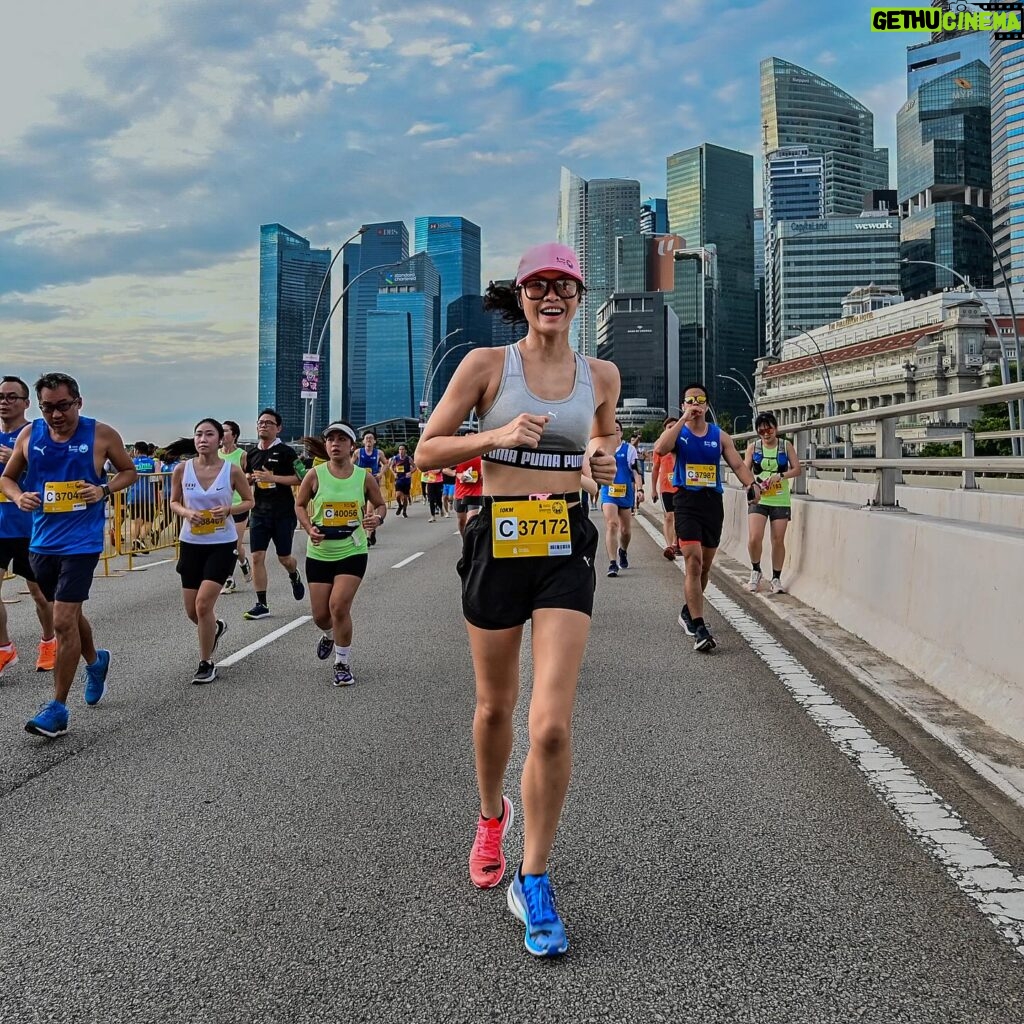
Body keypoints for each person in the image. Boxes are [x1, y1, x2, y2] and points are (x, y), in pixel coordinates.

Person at [416, 242, 618, 957]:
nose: (551, 296)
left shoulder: (601, 375)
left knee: (552, 723)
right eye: (539, 286)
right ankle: (488, 816)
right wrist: (496, 434)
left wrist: (600, 459)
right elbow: (425, 452)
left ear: (579, 296)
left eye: (564, 285)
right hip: (497, 540)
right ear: (523, 296)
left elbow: (607, 438)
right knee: (495, 707)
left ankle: (533, 878)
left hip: (564, 540)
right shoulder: (484, 366)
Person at [0, 372, 137, 738]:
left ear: (78, 401)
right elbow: (8, 478)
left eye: (63, 406)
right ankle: (96, 661)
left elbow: (129, 471)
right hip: (41, 543)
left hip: (82, 544)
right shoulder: (30, 435)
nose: (56, 415)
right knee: (70, 616)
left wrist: (103, 490)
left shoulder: (101, 434)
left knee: (62, 621)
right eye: (48, 408)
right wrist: (18, 497)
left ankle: (57, 709)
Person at [654, 383, 761, 653]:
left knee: (704, 568)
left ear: (707, 404)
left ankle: (688, 611)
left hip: (712, 502)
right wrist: (682, 420)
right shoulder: (679, 433)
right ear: (684, 404)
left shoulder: (719, 435)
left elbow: (737, 464)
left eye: (700, 400)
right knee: (693, 559)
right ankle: (699, 627)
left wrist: (751, 485)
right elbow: (660, 448)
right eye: (690, 400)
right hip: (686, 500)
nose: (695, 404)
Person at [295, 422, 387, 687]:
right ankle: (329, 634)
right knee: (321, 616)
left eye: (341, 439)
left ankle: (342, 663)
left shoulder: (364, 476)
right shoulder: (315, 474)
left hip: (352, 549)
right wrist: (308, 527)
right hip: (320, 552)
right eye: (330, 439)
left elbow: (380, 505)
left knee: (339, 606)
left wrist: (376, 520)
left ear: (352, 446)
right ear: (326, 446)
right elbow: (300, 505)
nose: (335, 443)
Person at [169, 418, 254, 683]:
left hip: (222, 543)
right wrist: (186, 512)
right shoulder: (183, 470)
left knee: (204, 604)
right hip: (191, 543)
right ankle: (216, 627)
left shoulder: (231, 470)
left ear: (220, 440)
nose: (203, 439)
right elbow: (173, 502)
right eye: (198, 434)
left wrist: (229, 509)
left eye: (209, 434)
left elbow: (249, 500)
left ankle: (206, 662)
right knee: (193, 611)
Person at [0, 375, 56, 676]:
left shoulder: (35, 435)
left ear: (26, 403)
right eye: (1, 397)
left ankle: (49, 641)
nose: (5, 402)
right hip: (0, 527)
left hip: (31, 528)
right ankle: (5, 649)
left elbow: (51, 474)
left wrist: (18, 460)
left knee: (40, 594)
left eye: (12, 397)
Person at [243, 409, 305, 620]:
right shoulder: (251, 454)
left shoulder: (287, 452)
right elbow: (245, 477)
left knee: (284, 558)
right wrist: (249, 479)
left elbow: (301, 478)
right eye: (260, 422)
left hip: (283, 512)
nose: (263, 426)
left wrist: (274, 477)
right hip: (259, 512)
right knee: (256, 556)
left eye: (269, 423)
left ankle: (294, 575)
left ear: (278, 428)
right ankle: (262, 603)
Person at [744, 411, 801, 594]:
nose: (766, 434)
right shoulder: (753, 448)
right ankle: (755, 570)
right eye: (761, 431)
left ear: (776, 428)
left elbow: (797, 469)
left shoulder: (786, 445)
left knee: (778, 539)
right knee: (754, 538)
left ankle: (776, 577)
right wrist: (752, 486)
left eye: (769, 429)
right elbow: (744, 471)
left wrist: (781, 475)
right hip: (759, 498)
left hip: (780, 498)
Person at [600, 421, 641, 577]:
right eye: (612, 430)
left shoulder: (629, 450)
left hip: (625, 493)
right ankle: (612, 563)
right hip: (608, 492)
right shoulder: (603, 448)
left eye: (617, 430)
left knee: (625, 531)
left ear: (621, 433)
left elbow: (637, 472)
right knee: (612, 524)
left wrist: (640, 489)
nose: (615, 433)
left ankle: (622, 551)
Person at [219, 419, 253, 594]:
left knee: (233, 544)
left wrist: (246, 479)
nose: (222, 434)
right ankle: (243, 562)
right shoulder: (215, 455)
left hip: (239, 504)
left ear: (235, 436)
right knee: (231, 546)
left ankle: (228, 579)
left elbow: (250, 474)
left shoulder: (242, 455)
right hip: (219, 506)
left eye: (225, 431)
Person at [650, 415, 680, 560]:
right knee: (669, 516)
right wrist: (653, 489)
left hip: (682, 487)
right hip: (666, 487)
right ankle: (670, 545)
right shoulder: (660, 447)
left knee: (680, 517)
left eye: (676, 427)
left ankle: (677, 542)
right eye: (669, 428)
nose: (672, 430)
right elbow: (655, 469)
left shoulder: (684, 444)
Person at [355, 431, 386, 546]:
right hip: (359, 486)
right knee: (361, 512)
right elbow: (349, 464)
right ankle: (371, 531)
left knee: (369, 512)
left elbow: (386, 464)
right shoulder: (358, 452)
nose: (368, 440)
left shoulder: (379, 453)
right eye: (366, 438)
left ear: (374, 441)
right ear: (363, 441)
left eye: (371, 438)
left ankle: (367, 538)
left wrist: (380, 473)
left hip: (373, 486)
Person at [453, 454, 483, 536]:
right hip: (460, 493)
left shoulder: (482, 454)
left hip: (475, 493)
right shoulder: (459, 455)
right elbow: (445, 469)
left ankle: (471, 545)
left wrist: (483, 476)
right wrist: (458, 474)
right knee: (461, 521)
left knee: (471, 520)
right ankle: (465, 542)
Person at [390, 443, 414, 518]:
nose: (401, 451)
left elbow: (415, 467)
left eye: (403, 449)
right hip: (399, 479)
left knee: (405, 497)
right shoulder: (396, 458)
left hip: (406, 480)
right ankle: (400, 505)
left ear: (405, 450)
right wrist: (394, 473)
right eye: (400, 449)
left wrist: (410, 472)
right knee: (397, 496)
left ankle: (404, 511)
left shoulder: (408, 458)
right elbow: (391, 467)